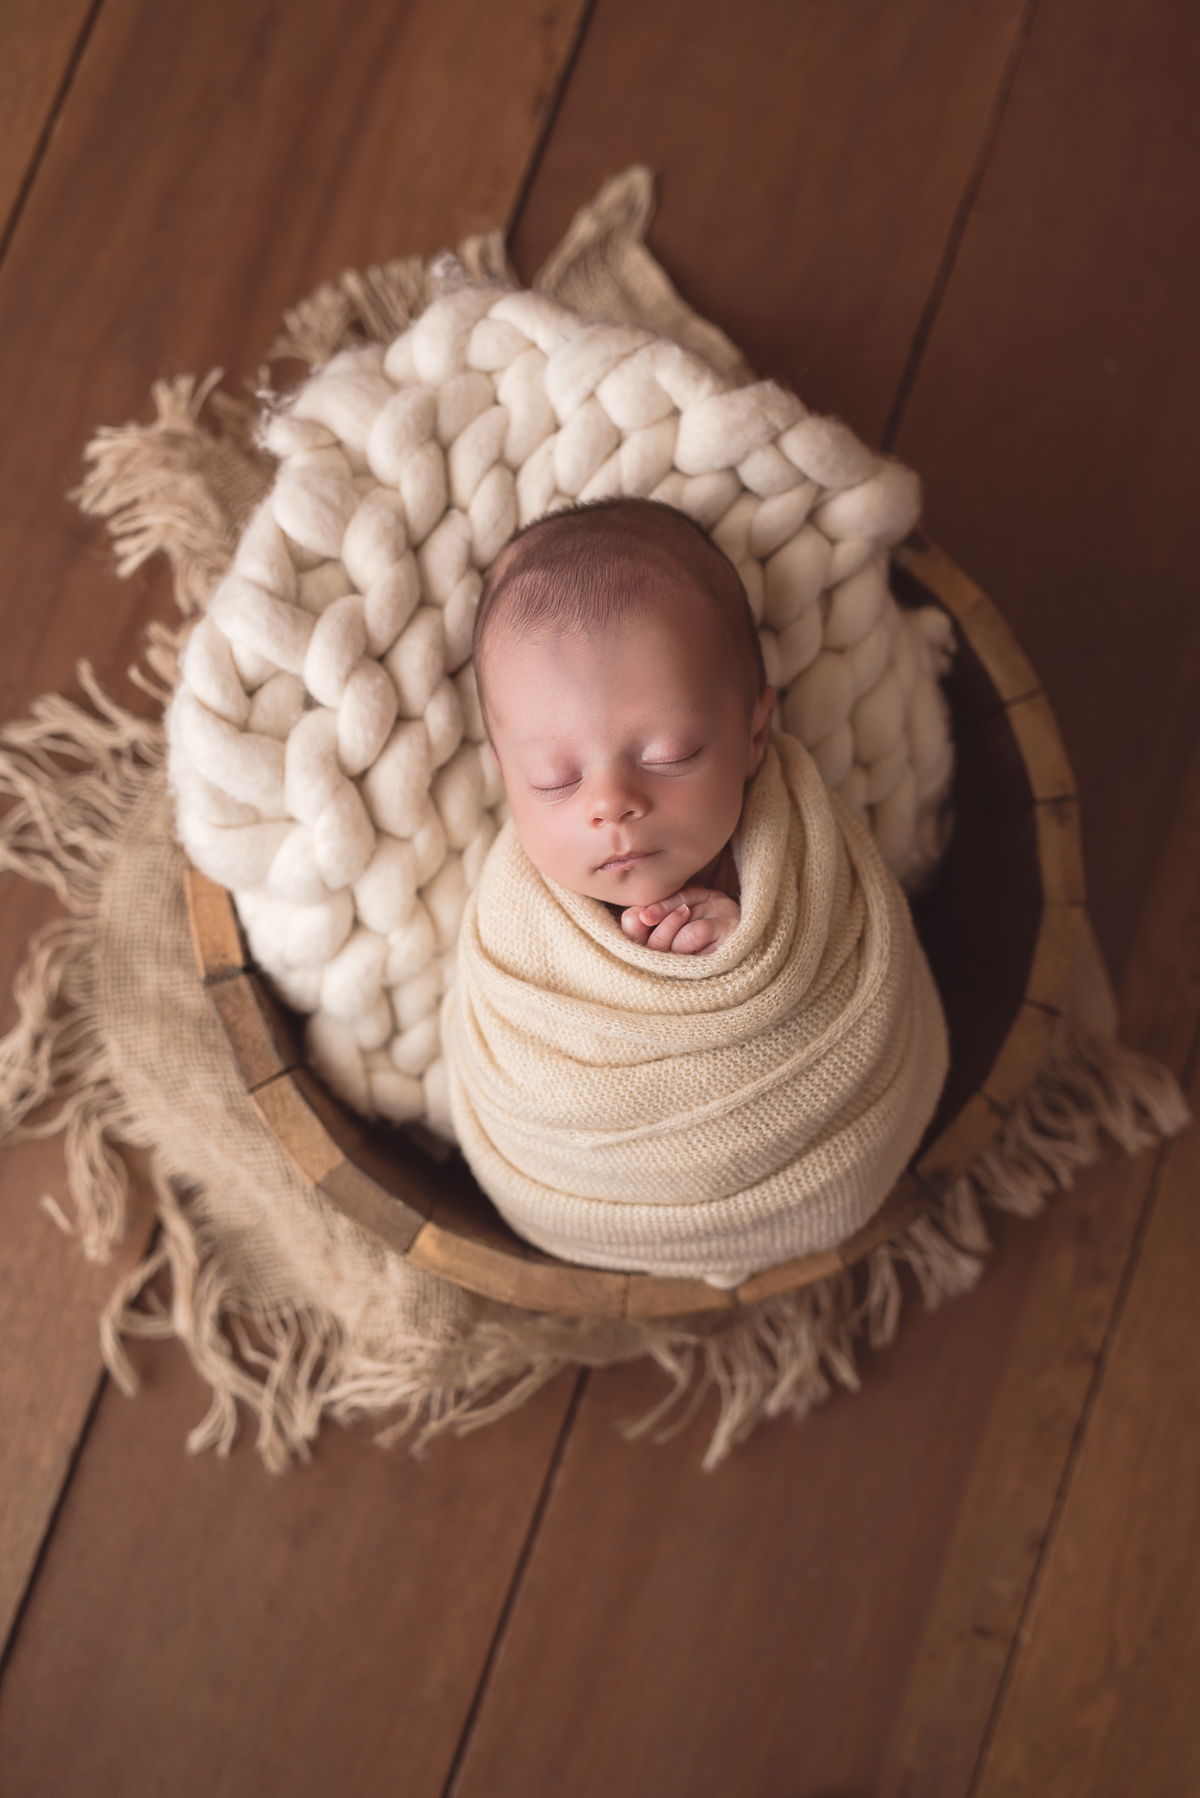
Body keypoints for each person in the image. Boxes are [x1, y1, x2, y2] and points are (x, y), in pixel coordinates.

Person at [447, 496, 949, 1287]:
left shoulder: (803, 845)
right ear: (506, 777)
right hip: (587, 1186)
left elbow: (856, 964)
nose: (611, 803)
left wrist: (747, 948)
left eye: (670, 754)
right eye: (553, 778)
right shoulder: (516, 921)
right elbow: (513, 1057)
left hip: (824, 1154)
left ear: (754, 736)